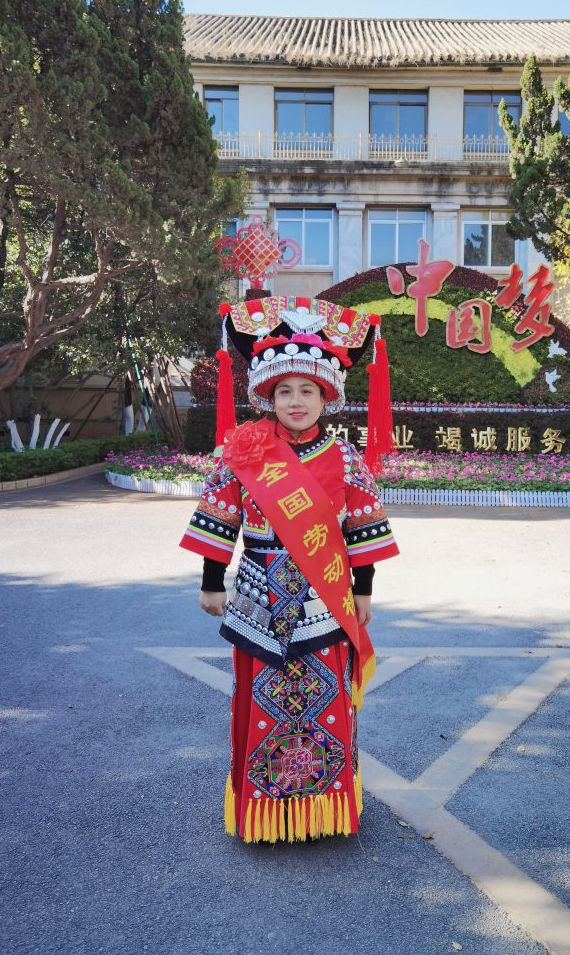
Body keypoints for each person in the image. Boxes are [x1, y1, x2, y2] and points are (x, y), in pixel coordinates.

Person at [179, 298, 399, 842]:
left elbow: (364, 528)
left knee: (327, 704)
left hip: (325, 597)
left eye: (307, 390)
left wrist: (364, 591)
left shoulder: (345, 457)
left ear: (327, 396)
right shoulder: (246, 450)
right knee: (261, 702)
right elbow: (221, 513)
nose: (295, 401)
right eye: (284, 391)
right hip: (259, 594)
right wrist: (211, 580)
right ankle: (264, 810)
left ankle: (324, 809)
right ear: (267, 396)